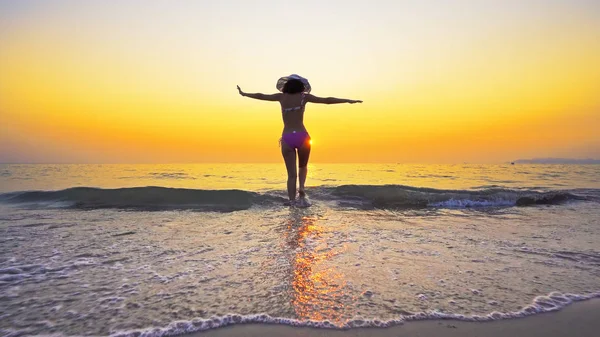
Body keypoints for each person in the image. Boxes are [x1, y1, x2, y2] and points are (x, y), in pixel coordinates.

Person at [237, 74, 362, 206]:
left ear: (286, 86)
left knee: (291, 175)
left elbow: (261, 95)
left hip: (287, 137)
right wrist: (348, 100)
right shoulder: (304, 97)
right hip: (302, 136)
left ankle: (291, 201)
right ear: (302, 86)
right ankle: (301, 188)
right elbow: (326, 100)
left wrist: (244, 94)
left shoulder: (281, 97)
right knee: (303, 166)